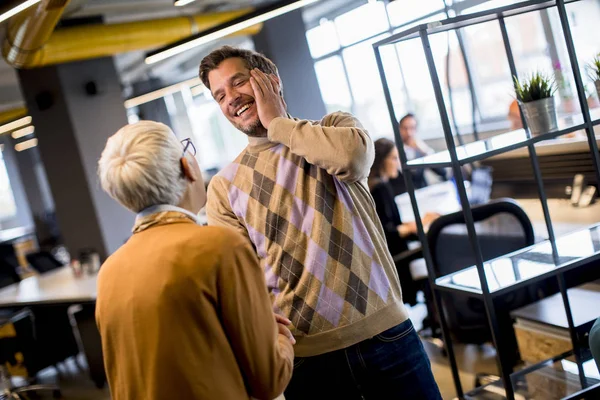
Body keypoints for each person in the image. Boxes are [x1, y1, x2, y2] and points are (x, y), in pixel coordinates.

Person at [201, 46, 441, 400]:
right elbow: (239, 279)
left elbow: (354, 160)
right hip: (308, 359)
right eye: (220, 94)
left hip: (387, 335)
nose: (231, 98)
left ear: (270, 80)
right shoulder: (224, 186)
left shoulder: (336, 128)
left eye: (239, 83)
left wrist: (278, 124)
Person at [96, 121, 294, 400]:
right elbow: (269, 381)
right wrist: (280, 338)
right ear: (186, 166)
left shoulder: (109, 272)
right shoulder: (220, 247)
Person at [368, 138, 438, 306]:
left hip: (392, 254)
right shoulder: (379, 188)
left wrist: (416, 223)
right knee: (437, 249)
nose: (398, 163)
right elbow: (388, 232)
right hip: (396, 259)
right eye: (394, 158)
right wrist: (419, 224)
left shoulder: (376, 185)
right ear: (380, 161)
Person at [399, 113, 447, 189]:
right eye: (405, 128)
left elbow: (442, 172)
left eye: (412, 128)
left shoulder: (420, 148)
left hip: (423, 191)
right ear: (399, 129)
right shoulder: (395, 151)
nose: (409, 133)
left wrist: (426, 151)